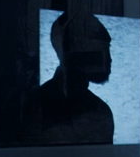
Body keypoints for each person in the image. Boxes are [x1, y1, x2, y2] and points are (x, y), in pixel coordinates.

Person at [14, 9, 115, 145]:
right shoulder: (36, 106)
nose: (109, 59)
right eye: (101, 49)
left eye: (107, 49)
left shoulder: (101, 110)